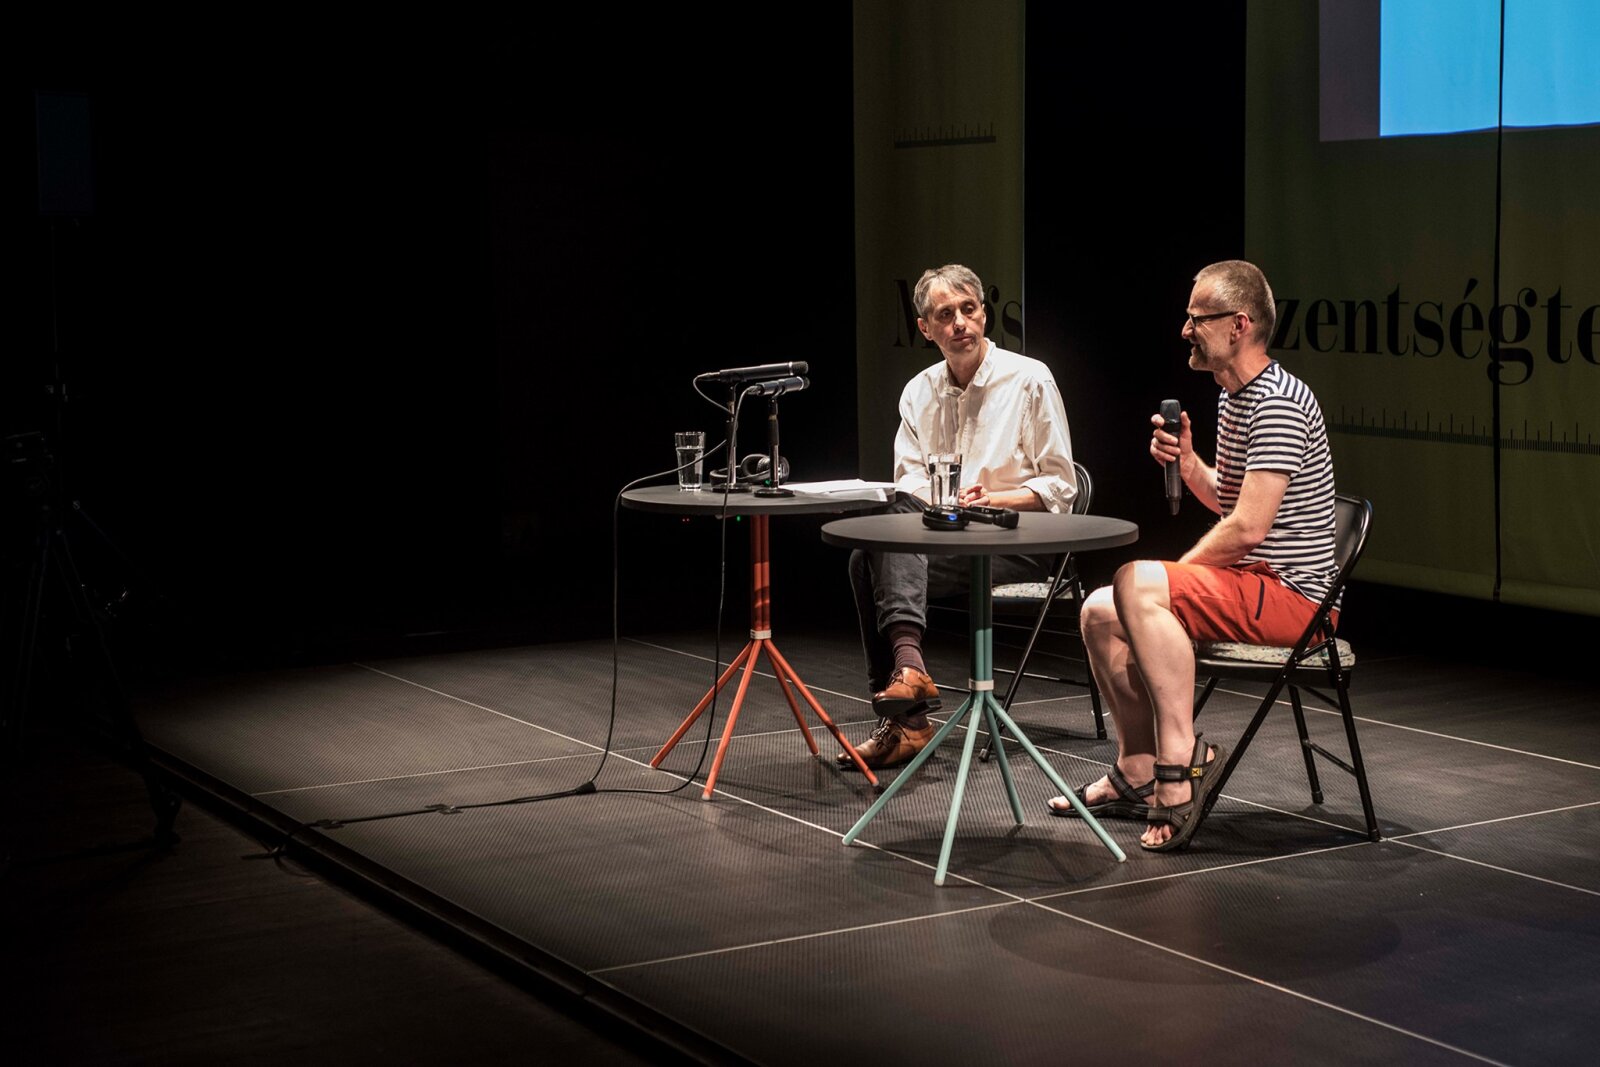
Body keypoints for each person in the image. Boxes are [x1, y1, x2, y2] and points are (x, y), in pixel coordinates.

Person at [1047, 260, 1339, 852]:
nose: (1185, 330)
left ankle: (1182, 760)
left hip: (1294, 599)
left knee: (1135, 582)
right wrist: (1187, 463)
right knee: (1099, 611)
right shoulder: (1235, 398)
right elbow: (1229, 501)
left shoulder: (1279, 402)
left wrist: (1173, 576)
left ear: (1239, 325)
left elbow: (1248, 530)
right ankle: (1137, 767)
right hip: (1252, 582)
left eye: (1197, 318)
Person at [841, 264, 1077, 770]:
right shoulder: (917, 391)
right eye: (945, 315)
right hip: (946, 538)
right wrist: (945, 506)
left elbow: (1061, 487)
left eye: (968, 309)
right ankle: (906, 699)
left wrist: (993, 500)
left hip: (1019, 543)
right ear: (925, 329)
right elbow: (908, 483)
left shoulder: (1030, 379)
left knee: (871, 557)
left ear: (984, 313)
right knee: (866, 555)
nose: (960, 323)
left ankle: (906, 707)